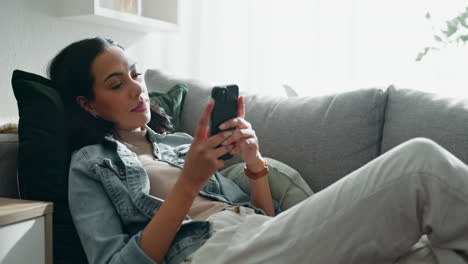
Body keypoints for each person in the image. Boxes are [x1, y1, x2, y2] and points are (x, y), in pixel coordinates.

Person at [48, 37, 468, 264]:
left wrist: (253, 165)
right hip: (211, 252)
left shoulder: (177, 145)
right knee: (421, 164)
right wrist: (188, 183)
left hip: (259, 237)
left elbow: (263, 220)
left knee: (436, 255)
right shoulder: (90, 164)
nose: (138, 89)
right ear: (87, 104)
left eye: (135, 74)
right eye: (116, 83)